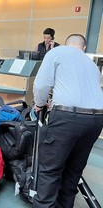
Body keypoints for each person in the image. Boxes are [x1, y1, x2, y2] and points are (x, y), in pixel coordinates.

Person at [33, 34, 103, 208]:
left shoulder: (56, 52)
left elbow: (41, 85)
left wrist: (39, 104)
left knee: (50, 170)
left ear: (66, 44)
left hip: (67, 120)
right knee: (73, 172)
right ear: (83, 48)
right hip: (96, 120)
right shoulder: (91, 64)